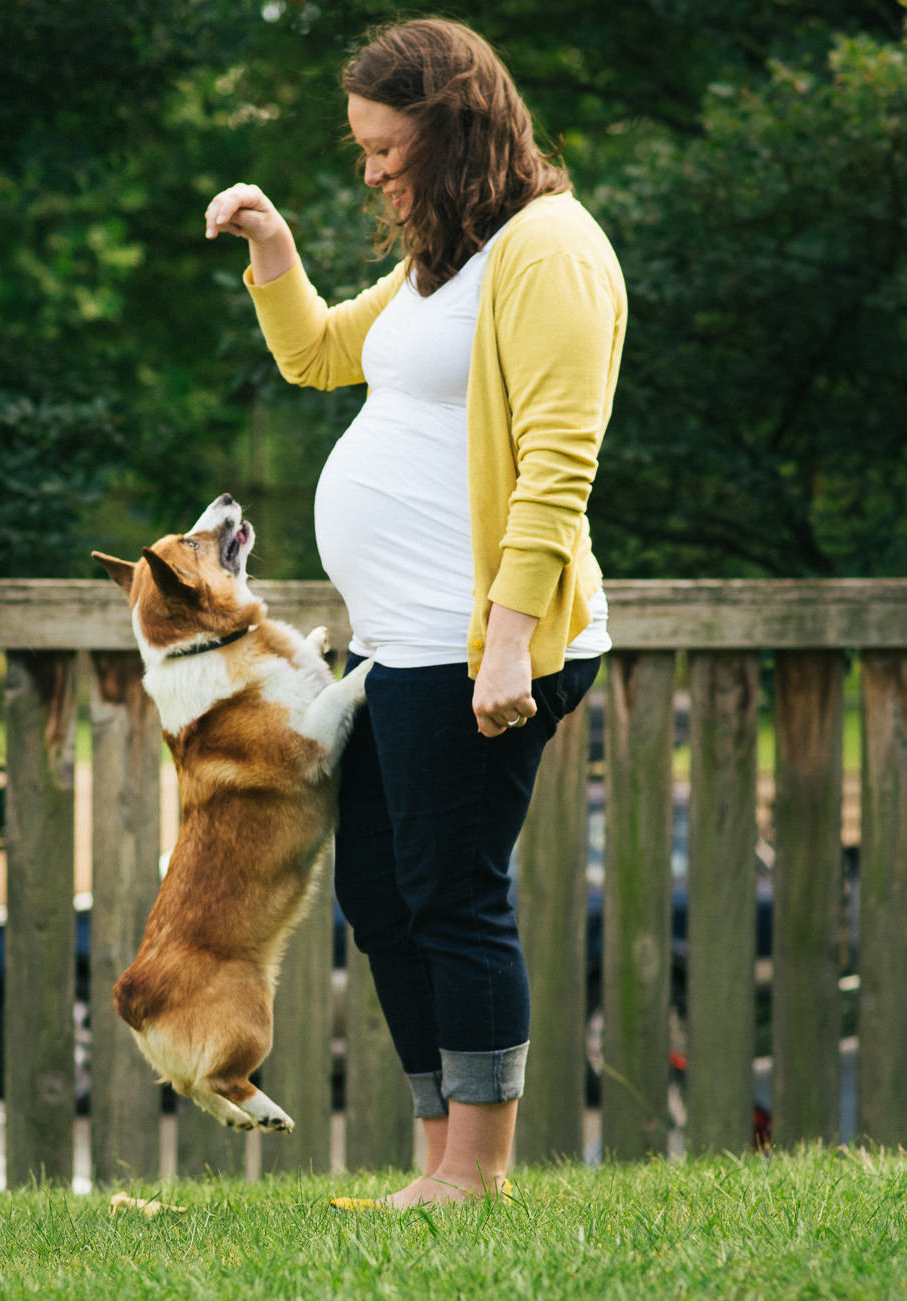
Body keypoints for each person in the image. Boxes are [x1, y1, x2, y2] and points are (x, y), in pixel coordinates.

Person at [202, 17, 626, 1207]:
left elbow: (555, 461)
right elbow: (321, 358)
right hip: (405, 647)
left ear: (453, 127)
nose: (374, 171)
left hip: (479, 646)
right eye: (363, 152)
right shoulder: (450, 254)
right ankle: (439, 1155)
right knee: (379, 896)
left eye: (387, 149)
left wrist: (504, 646)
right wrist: (275, 252)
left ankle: (475, 1174)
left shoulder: (548, 251)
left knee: (452, 894)